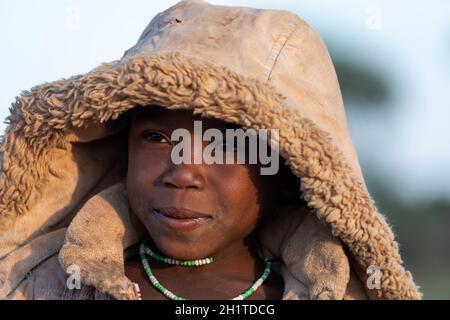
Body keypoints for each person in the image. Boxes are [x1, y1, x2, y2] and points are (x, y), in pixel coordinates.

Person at [0, 0, 421, 300]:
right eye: (156, 138)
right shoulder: (48, 285)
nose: (181, 172)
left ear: (290, 168)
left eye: (222, 144)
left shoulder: (327, 291)